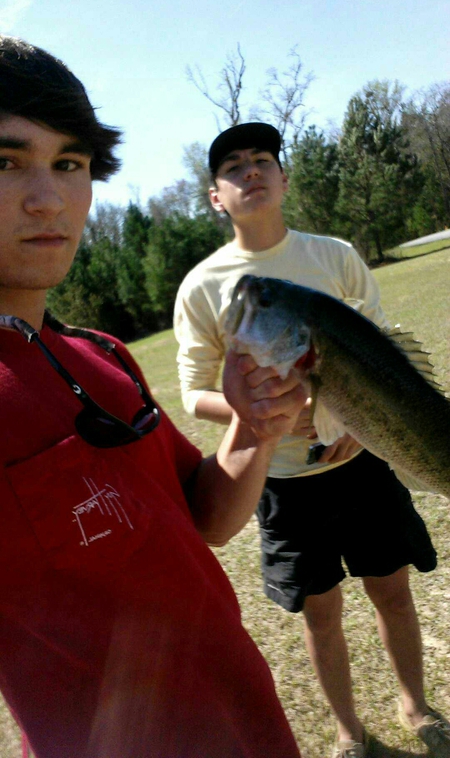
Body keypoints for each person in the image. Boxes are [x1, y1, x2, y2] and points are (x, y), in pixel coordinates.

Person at [0, 38, 309, 758]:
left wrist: (255, 428)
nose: (49, 199)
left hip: (254, 724)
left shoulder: (102, 354)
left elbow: (205, 518)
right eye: (5, 162)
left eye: (69, 164)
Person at [174, 121, 450, 758]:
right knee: (321, 617)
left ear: (284, 177)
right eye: (233, 166)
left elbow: (385, 357)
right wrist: (261, 419)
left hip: (366, 466)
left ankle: (416, 706)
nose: (251, 171)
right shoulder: (203, 287)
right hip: (284, 484)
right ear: (216, 196)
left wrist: (351, 419)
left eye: (263, 159)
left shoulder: (334, 255)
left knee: (393, 592)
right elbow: (191, 393)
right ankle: (349, 732)